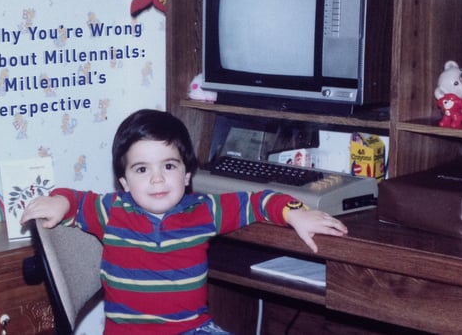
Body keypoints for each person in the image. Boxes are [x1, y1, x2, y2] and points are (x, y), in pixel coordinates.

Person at [21, 109, 348, 335]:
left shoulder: (205, 210)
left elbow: (259, 200)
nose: (157, 179)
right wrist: (59, 200)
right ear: (124, 182)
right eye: (142, 169)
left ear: (187, 173)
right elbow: (75, 200)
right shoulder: (111, 210)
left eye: (169, 166)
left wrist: (295, 212)